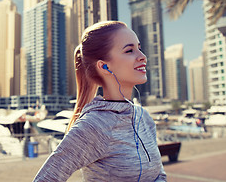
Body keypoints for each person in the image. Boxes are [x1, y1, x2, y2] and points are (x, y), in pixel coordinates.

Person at [33, 21, 167, 181]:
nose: (142, 57)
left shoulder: (143, 117)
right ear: (104, 67)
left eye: (139, 48)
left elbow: (159, 174)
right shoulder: (95, 124)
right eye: (130, 50)